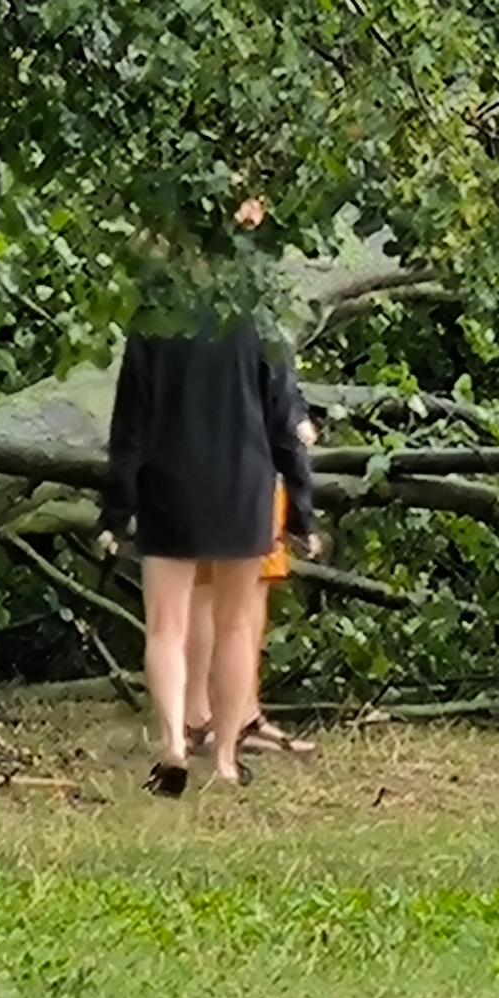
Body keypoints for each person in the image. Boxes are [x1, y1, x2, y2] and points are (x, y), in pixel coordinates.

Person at [99, 302, 320, 795]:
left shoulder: (152, 321)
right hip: (243, 485)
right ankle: (224, 758)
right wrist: (303, 512)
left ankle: (174, 741)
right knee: (238, 625)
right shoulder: (262, 319)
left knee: (164, 626)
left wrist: (116, 510)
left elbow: (129, 425)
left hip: (169, 486)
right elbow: (285, 424)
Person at [184, 406, 323, 768]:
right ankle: (202, 717)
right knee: (213, 587)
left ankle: (239, 713)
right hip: (232, 454)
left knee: (247, 583)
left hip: (233, 453)